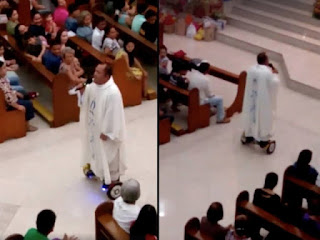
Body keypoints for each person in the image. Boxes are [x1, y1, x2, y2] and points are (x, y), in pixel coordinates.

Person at [81, 63, 127, 190]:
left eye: (98, 72)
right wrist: (82, 89)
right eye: (95, 71)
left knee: (108, 155)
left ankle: (111, 178)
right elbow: (88, 94)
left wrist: (107, 132)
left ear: (107, 76)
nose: (94, 74)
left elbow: (114, 114)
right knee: (95, 150)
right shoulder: (94, 86)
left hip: (105, 133)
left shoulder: (112, 92)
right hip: (94, 128)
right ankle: (96, 170)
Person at [242, 52, 279, 147]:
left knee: (252, 115)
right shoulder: (267, 72)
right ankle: (263, 139)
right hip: (263, 100)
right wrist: (274, 74)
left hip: (252, 98)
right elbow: (274, 84)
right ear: (266, 61)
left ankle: (249, 134)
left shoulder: (251, 69)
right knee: (262, 117)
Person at [0, 60, 37, 132]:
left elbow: (8, 89)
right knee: (28, 104)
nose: (6, 70)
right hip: (7, 104)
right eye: (4, 68)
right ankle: (27, 125)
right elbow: (8, 98)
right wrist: (17, 106)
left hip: (10, 99)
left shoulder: (3, 78)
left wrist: (15, 92)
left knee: (22, 96)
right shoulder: (1, 83)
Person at [252, 172, 281, 240]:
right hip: (268, 223)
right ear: (275, 184)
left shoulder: (257, 191)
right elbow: (277, 213)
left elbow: (254, 204)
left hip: (256, 218)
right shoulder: (276, 198)